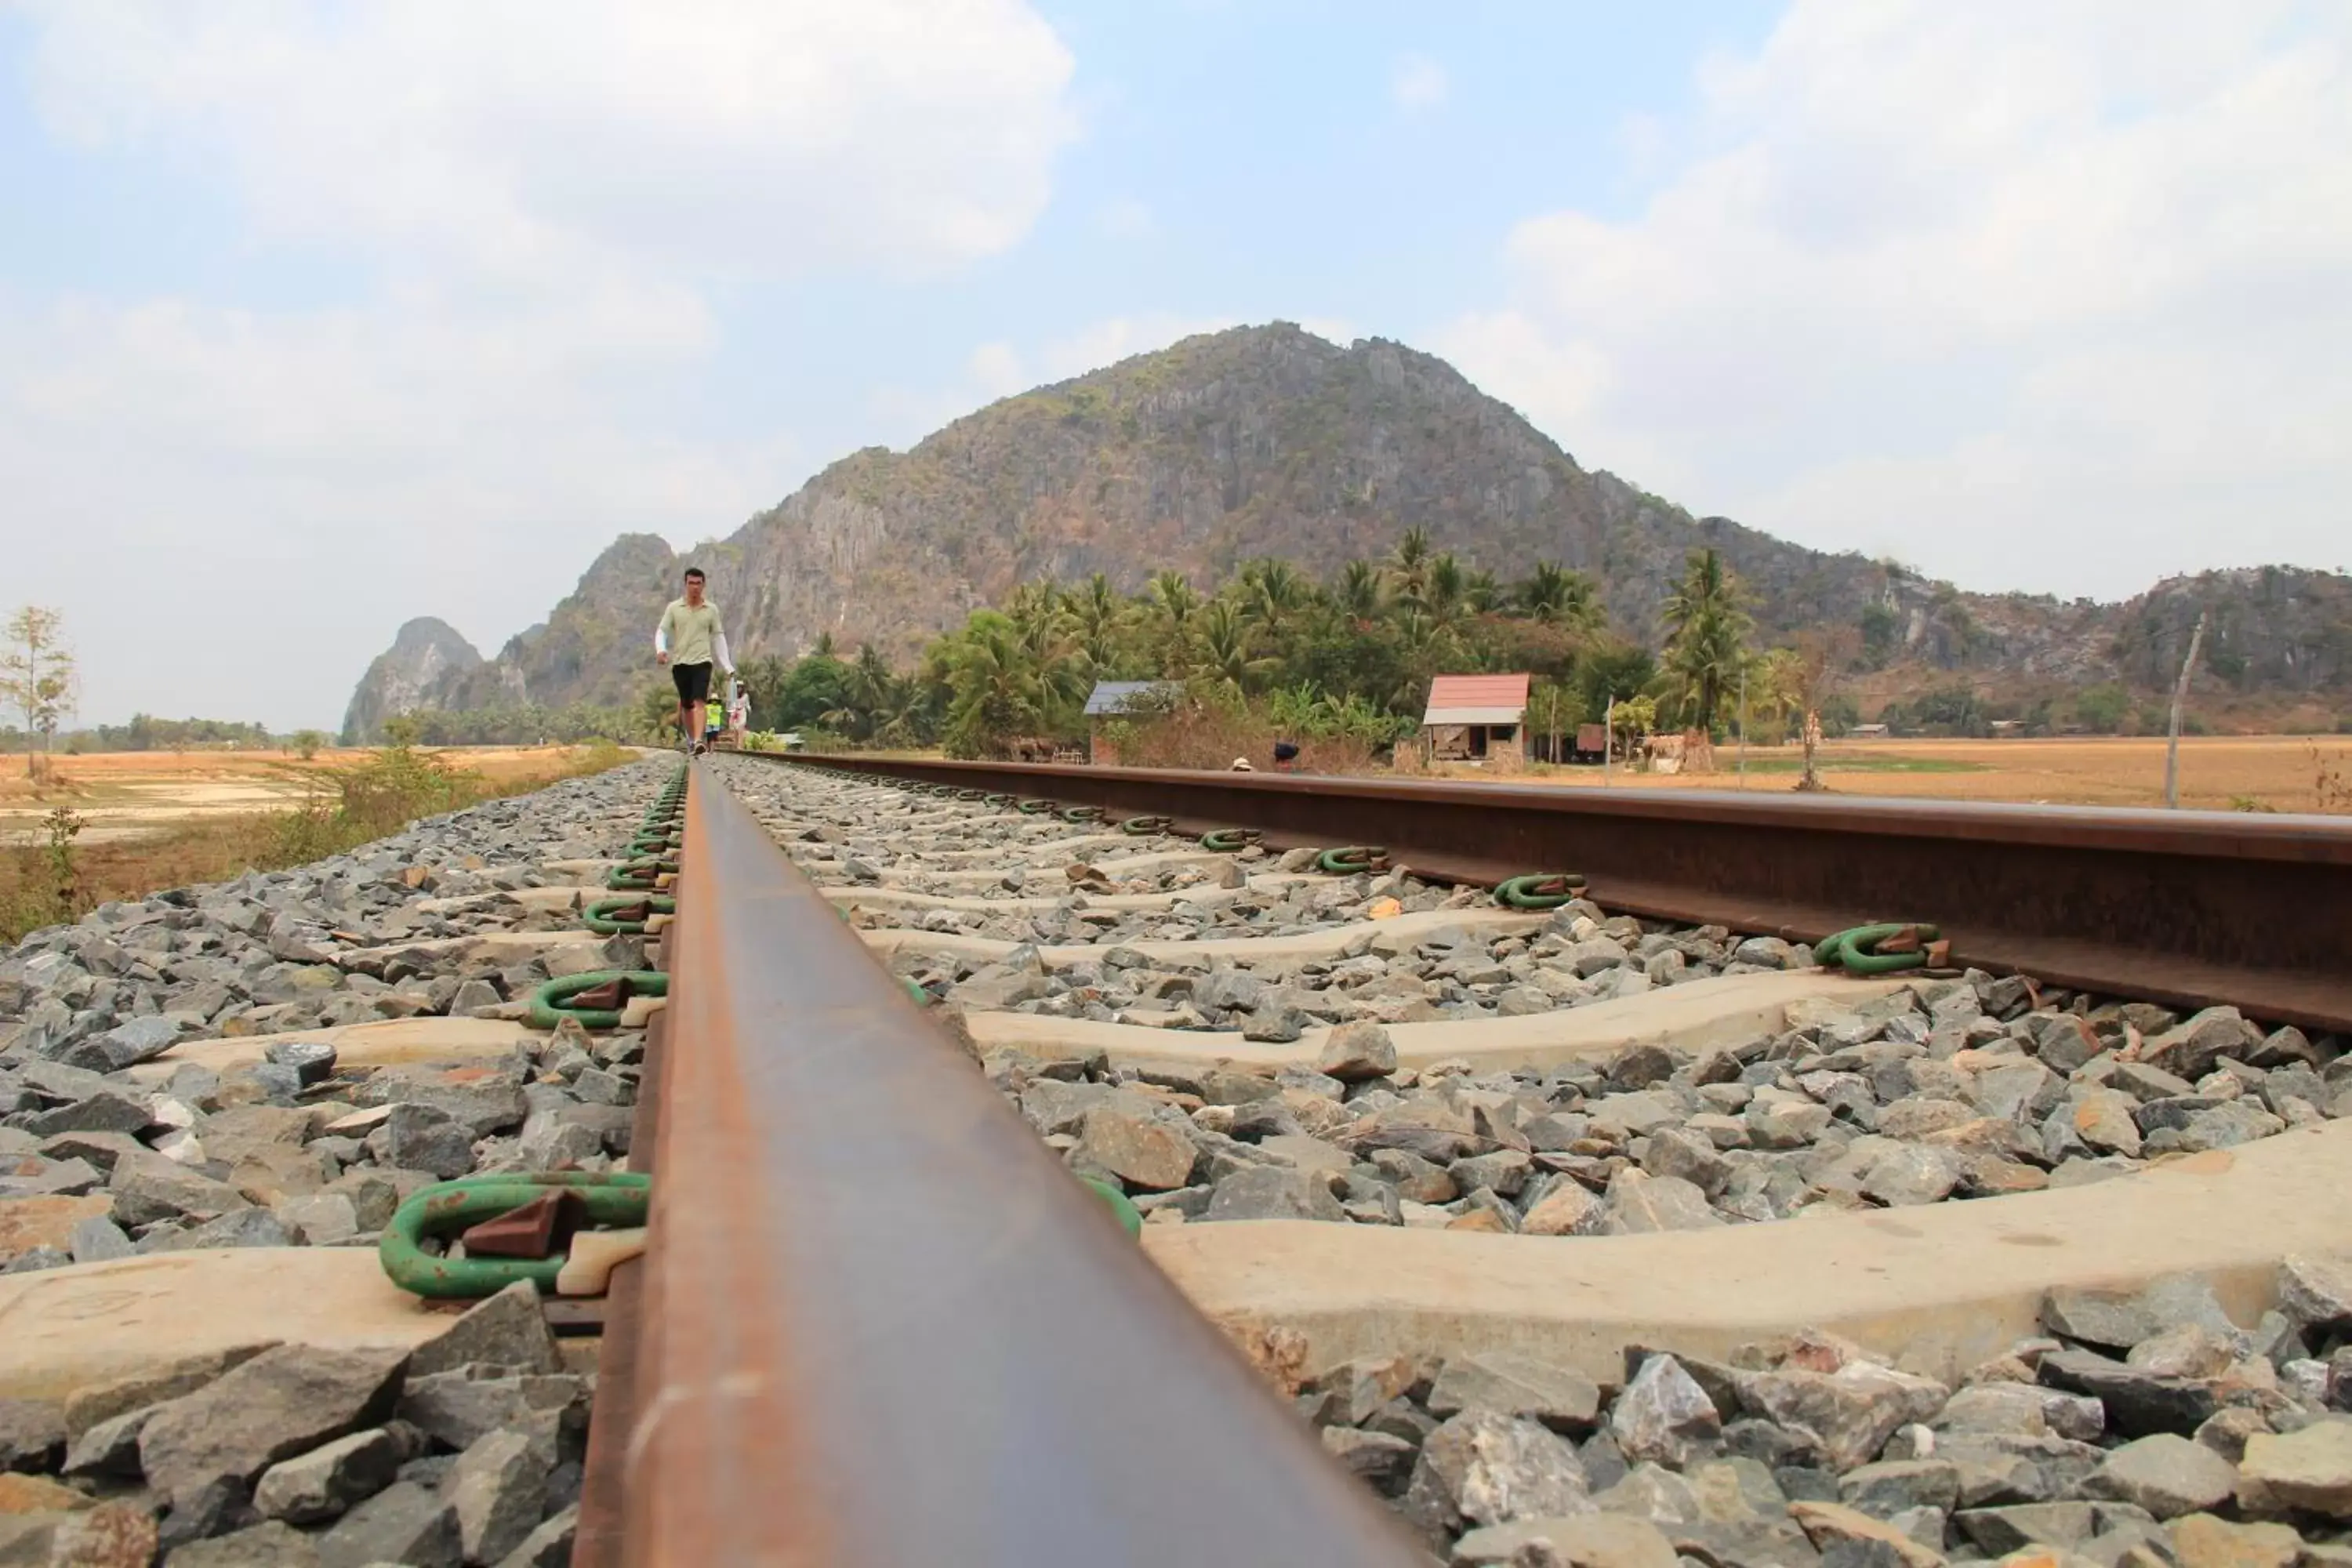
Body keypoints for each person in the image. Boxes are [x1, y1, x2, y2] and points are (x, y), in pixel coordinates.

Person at [654, 567, 733, 755]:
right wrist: (661, 650)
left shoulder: (711, 610)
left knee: (700, 700)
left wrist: (727, 664)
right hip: (680, 663)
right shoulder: (674, 608)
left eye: (698, 583)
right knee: (687, 704)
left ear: (703, 585)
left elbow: (718, 637)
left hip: (702, 662)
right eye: (691, 583)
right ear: (685, 584)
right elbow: (662, 631)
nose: (695, 587)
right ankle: (692, 739)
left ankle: (699, 740)